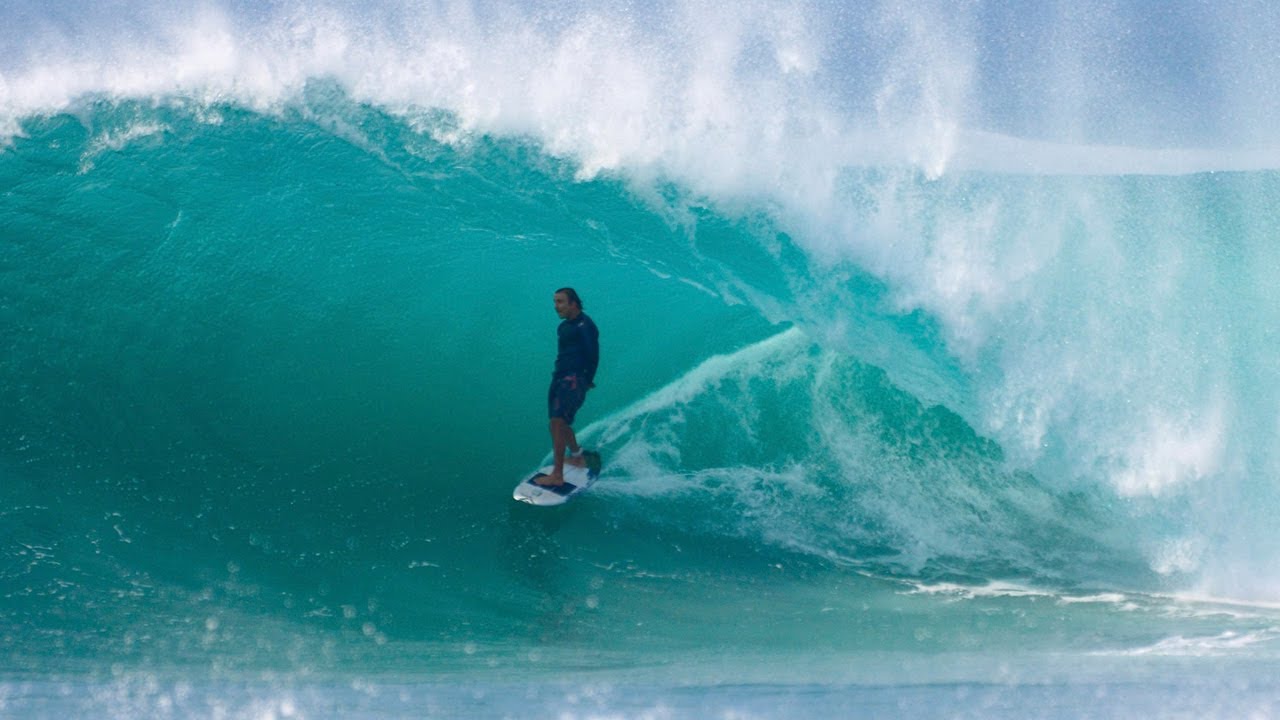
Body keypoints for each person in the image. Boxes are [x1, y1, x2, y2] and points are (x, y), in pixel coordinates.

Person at [535, 287, 600, 486]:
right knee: (557, 423)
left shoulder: (585, 326)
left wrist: (587, 380)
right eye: (555, 302)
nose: (556, 306)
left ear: (574, 303)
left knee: (557, 423)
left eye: (560, 302)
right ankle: (577, 456)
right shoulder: (564, 327)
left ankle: (557, 476)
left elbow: (593, 355)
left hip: (573, 380)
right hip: (560, 377)